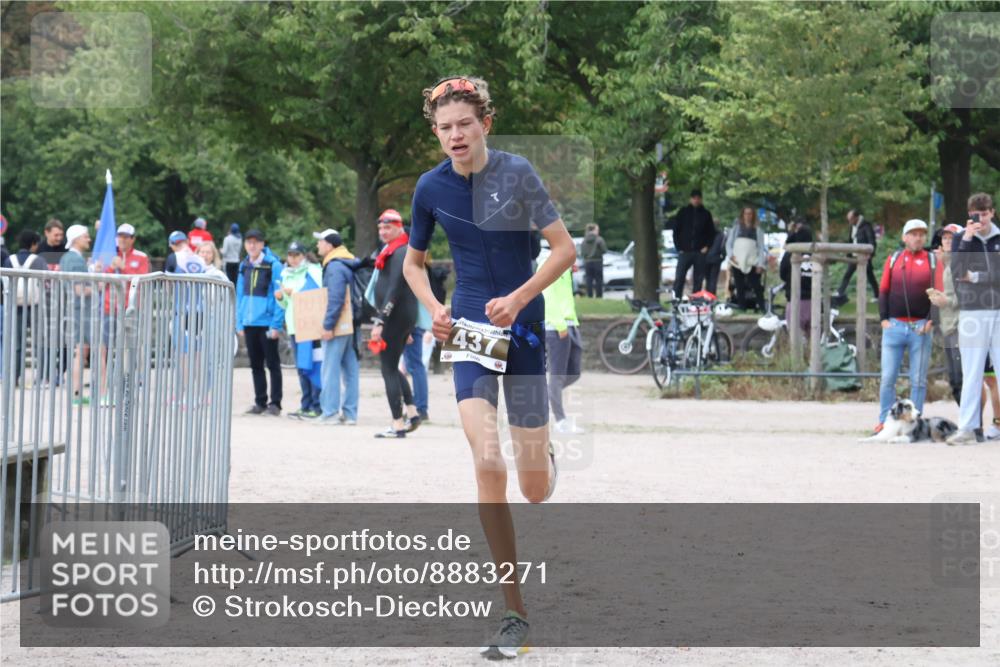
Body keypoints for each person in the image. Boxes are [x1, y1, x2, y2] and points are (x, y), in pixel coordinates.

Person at [402, 75, 575, 659]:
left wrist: (522, 297)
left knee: (532, 490)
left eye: (464, 124)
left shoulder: (517, 172)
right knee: (485, 460)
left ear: (485, 125)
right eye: (445, 127)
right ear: (436, 132)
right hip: (471, 329)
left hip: (521, 327)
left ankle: (544, 455)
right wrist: (435, 309)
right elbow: (413, 265)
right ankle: (514, 612)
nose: (455, 134)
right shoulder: (429, 188)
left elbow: (564, 249)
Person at [871, 219, 942, 435]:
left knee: (918, 380)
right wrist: (883, 319)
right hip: (894, 325)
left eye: (921, 234)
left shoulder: (931, 260)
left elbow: (938, 293)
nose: (917, 237)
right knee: (887, 378)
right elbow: (883, 290)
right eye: (913, 234)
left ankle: (914, 425)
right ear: (904, 237)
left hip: (920, 327)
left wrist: (931, 320)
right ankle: (885, 421)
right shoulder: (894, 259)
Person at [947, 193, 1000, 445]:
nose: (982, 218)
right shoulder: (961, 238)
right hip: (971, 311)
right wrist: (967, 238)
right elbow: (957, 271)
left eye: (986, 213)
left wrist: (977, 277)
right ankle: (967, 427)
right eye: (976, 214)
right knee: (972, 371)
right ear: (970, 214)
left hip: (998, 310)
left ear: (992, 212)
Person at [368, 209, 421, 438]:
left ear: (399, 227)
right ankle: (413, 412)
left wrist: (381, 320)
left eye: (387, 227)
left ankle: (398, 424)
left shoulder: (400, 251)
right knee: (392, 365)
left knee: (388, 368)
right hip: (402, 316)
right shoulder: (394, 249)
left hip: (395, 316)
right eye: (380, 228)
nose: (383, 232)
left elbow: (394, 289)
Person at [97, 223, 152, 404]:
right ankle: (105, 392)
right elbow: (100, 283)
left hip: (131, 310)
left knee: (127, 351)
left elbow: (142, 281)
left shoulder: (141, 257)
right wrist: (111, 268)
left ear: (133, 239)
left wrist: (124, 267)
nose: (122, 239)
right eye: (119, 236)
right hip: (108, 309)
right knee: (105, 349)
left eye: (126, 236)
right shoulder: (109, 256)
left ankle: (126, 391)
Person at [235, 228, 285, 415]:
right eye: (249, 242)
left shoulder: (273, 265)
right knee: (255, 365)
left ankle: (276, 403)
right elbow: (239, 295)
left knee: (272, 363)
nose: (252, 245)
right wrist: (239, 322)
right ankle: (260, 401)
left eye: (256, 242)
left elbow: (280, 298)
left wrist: (276, 324)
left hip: (266, 322)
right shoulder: (244, 265)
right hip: (249, 322)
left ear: (263, 244)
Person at [314, 228, 360, 425]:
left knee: (330, 367)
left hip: (338, 324)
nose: (318, 245)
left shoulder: (334, 266)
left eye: (321, 241)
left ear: (330, 245)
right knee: (350, 369)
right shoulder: (348, 262)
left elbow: (335, 298)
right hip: (351, 322)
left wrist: (328, 325)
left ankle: (330, 412)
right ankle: (350, 414)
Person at [275, 241, 324, 420]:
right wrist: (281, 298)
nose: (293, 259)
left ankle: (316, 405)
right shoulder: (286, 274)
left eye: (296, 255)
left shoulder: (312, 271)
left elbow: (313, 295)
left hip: (310, 326)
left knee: (311, 365)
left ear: (304, 255)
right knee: (301, 368)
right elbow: (288, 304)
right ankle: (305, 404)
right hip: (295, 325)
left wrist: (291, 292)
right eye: (290, 255)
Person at [542, 257, 583, 434]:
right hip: (557, 327)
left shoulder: (565, 268)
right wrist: (559, 324)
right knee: (557, 375)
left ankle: (546, 394)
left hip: (571, 323)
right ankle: (561, 421)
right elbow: (547, 295)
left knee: (574, 372)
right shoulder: (549, 263)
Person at [929, 224, 965, 406]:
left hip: (960, 327)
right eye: (945, 238)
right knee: (954, 380)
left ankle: (974, 425)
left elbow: (970, 296)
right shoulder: (945, 263)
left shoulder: (963, 262)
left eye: (952, 238)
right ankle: (969, 424)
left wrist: (946, 301)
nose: (948, 241)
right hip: (948, 326)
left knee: (962, 380)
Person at [59, 225, 94, 405]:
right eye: (86, 236)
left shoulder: (69, 258)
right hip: (81, 311)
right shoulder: (75, 260)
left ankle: (76, 394)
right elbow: (79, 289)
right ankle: (76, 394)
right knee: (80, 352)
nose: (89, 239)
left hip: (75, 310)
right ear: (76, 239)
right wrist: (99, 285)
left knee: (80, 352)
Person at [8, 230, 47, 385]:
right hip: (35, 304)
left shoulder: (9, 260)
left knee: (17, 344)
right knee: (39, 342)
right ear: (33, 244)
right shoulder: (38, 260)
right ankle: (41, 377)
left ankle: (15, 377)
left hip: (15, 305)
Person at [666, 188, 716, 300]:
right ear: (691, 199)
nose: (696, 200)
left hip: (700, 251)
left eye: (698, 198)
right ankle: (676, 299)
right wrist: (679, 247)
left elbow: (711, 233)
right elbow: (676, 231)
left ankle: (695, 301)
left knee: (698, 278)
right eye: (694, 198)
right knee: (680, 277)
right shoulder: (683, 213)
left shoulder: (706, 214)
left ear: (701, 199)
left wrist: (707, 246)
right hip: (685, 250)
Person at [726, 206, 767, 310]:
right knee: (739, 286)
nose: (748, 216)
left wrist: (760, 264)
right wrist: (731, 256)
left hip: (752, 261)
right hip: (737, 261)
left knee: (756, 286)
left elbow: (761, 248)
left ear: (753, 215)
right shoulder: (736, 228)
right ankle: (741, 307)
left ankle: (762, 307)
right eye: (746, 213)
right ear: (742, 215)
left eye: (750, 214)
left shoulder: (758, 230)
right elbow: (729, 244)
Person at [835, 208, 879, 303]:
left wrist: (870, 254)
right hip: (854, 256)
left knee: (870, 276)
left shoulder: (866, 226)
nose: (850, 222)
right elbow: (851, 240)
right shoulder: (853, 227)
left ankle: (877, 295)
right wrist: (849, 253)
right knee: (848, 274)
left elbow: (871, 241)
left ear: (856, 217)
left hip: (864, 256)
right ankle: (840, 291)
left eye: (851, 219)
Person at [779, 221, 814, 333]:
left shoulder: (791, 253)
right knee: (812, 339)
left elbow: (782, 273)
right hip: (813, 301)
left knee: (795, 338)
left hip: (795, 300)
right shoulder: (816, 254)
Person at [579, 223, 606, 298]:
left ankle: (590, 295)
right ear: (594, 230)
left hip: (587, 262)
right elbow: (604, 250)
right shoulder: (599, 239)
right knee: (599, 280)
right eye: (597, 230)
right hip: (598, 261)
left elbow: (582, 252)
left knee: (589, 279)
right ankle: (599, 295)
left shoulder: (584, 240)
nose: (598, 231)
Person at [704, 223, 726, 298]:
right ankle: (712, 296)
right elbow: (723, 248)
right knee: (713, 279)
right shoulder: (721, 235)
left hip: (706, 258)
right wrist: (722, 258)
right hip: (716, 259)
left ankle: (707, 296)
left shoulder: (706, 234)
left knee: (708, 279)